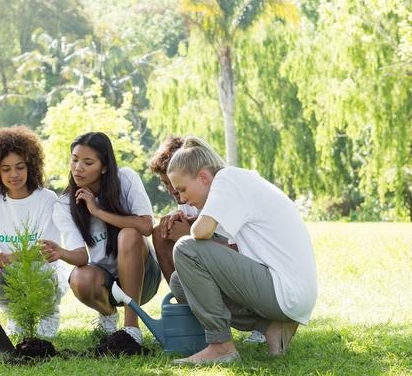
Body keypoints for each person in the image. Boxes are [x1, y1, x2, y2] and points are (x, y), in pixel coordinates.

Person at [166, 137, 317, 365]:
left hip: (284, 290)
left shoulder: (227, 178)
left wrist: (194, 224)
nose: (182, 199)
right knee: (180, 281)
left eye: (183, 189)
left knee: (186, 249)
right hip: (287, 293)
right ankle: (271, 327)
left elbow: (200, 233)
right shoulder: (238, 183)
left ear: (203, 177)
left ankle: (221, 347)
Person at [43, 132, 162, 350]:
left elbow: (146, 226)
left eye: (88, 162)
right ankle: (107, 314)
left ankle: (131, 328)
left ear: (104, 167)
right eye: (75, 159)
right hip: (105, 283)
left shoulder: (125, 179)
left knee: (129, 233)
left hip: (144, 278)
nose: (78, 167)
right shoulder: (64, 205)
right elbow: (81, 257)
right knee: (79, 277)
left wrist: (97, 211)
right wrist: (61, 252)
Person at [148, 136, 266, 344]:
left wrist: (189, 235)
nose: (172, 191)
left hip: (253, 271)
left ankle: (261, 322)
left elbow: (240, 248)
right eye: (166, 184)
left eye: (176, 186)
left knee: (187, 246)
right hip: (217, 263)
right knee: (161, 233)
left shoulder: (224, 190)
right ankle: (191, 310)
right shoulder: (186, 200)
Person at [0, 126, 68, 338]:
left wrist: (10, 257)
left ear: (30, 166)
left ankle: (48, 314)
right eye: (6, 169)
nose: (13, 175)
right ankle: (16, 314)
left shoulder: (47, 199)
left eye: (19, 167)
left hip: (44, 273)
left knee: (41, 273)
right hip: (9, 274)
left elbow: (47, 252)